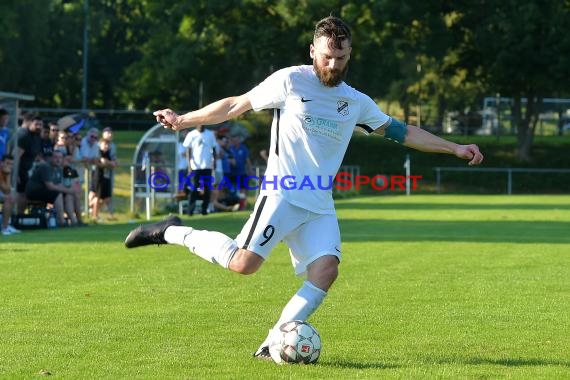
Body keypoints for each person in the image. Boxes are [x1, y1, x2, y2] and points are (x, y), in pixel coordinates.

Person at [124, 16, 484, 360]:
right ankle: (172, 231)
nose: (333, 64)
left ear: (349, 56)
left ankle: (272, 343)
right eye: (327, 56)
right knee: (243, 264)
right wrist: (183, 120)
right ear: (313, 51)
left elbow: (403, 132)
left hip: (320, 203)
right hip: (282, 193)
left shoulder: (356, 102)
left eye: (340, 58)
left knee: (326, 270)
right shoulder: (290, 81)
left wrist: (453, 147)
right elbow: (236, 105)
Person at [25, 150, 81, 227]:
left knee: (69, 195)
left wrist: (70, 191)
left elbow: (59, 185)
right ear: (51, 158)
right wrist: (69, 190)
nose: (58, 160)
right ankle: (61, 221)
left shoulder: (59, 169)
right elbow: (50, 186)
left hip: (46, 191)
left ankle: (75, 221)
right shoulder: (46, 167)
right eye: (56, 157)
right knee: (58, 194)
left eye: (60, 158)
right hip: (34, 192)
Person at [182, 125, 216, 216]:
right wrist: (189, 165)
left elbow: (214, 149)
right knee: (193, 188)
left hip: (207, 166)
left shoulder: (210, 134)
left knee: (207, 188)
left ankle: (204, 210)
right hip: (195, 167)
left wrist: (214, 162)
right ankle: (190, 211)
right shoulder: (191, 134)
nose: (200, 125)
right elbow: (188, 150)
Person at [0, 154, 21, 235]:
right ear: (1, 163)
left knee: (12, 197)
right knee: (9, 198)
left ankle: (6, 226)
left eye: (11, 164)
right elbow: (6, 190)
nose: (10, 166)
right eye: (7, 163)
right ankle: (4, 228)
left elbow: (7, 191)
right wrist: (8, 176)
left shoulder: (4, 172)